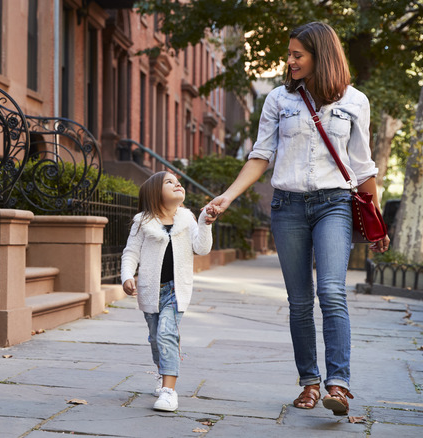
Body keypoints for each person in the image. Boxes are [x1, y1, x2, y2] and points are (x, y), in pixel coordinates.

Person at [204, 22, 390, 417]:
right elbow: (261, 155)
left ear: (320, 56)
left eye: (296, 55)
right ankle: (309, 382)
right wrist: (228, 195)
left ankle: (338, 384)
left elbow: (362, 166)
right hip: (287, 207)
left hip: (334, 204)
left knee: (332, 292)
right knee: (300, 301)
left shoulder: (355, 101)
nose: (289, 62)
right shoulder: (277, 100)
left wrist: (377, 223)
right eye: (289, 54)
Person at [121, 171, 214, 412]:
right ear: (155, 193)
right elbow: (131, 252)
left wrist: (205, 223)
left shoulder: (187, 219)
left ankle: (169, 391)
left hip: (177, 290)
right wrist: (127, 276)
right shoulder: (143, 221)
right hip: (150, 291)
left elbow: (201, 249)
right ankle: (162, 372)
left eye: (178, 181)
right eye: (169, 182)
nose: (177, 184)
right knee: (155, 337)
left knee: (166, 333)